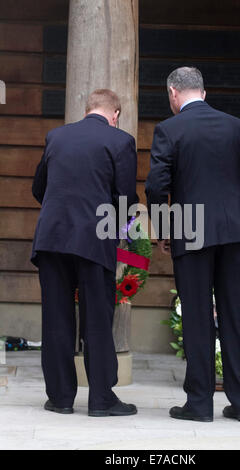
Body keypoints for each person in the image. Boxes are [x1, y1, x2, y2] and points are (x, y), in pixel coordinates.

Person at [145, 67, 240, 423]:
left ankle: (199, 405)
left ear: (172, 94)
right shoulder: (234, 125)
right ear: (204, 92)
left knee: (197, 318)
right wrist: (239, 218)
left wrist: (165, 230)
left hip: (191, 233)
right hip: (234, 234)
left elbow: (155, 185)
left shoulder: (169, 129)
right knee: (237, 318)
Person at [31, 89, 138, 417]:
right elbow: (125, 198)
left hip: (52, 239)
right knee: (97, 319)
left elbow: (39, 188)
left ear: (87, 109)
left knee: (56, 318)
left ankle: (61, 398)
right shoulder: (120, 141)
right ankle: (101, 399)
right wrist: (121, 235)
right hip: (94, 239)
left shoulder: (56, 136)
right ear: (115, 114)